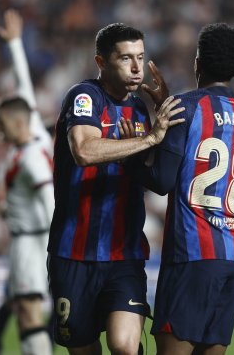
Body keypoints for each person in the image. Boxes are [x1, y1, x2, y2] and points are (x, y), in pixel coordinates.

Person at [47, 22, 184, 355]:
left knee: (124, 346)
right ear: (101, 62)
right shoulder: (84, 96)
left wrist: (165, 119)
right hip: (73, 254)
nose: (137, 68)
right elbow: (84, 150)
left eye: (140, 57)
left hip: (124, 254)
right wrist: (148, 138)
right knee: (83, 349)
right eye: (125, 58)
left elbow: (152, 172)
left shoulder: (138, 108)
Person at [125, 23, 234, 355]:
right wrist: (168, 111)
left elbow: (161, 181)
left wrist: (131, 150)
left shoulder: (186, 108)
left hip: (193, 254)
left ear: (197, 63)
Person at [0, 9, 55, 355]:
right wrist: (16, 44)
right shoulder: (34, 136)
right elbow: (24, 87)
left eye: (2, 123)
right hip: (34, 238)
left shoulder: (31, 158)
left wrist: (57, 236)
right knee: (25, 314)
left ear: (17, 124)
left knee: (30, 315)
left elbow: (48, 197)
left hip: (31, 243)